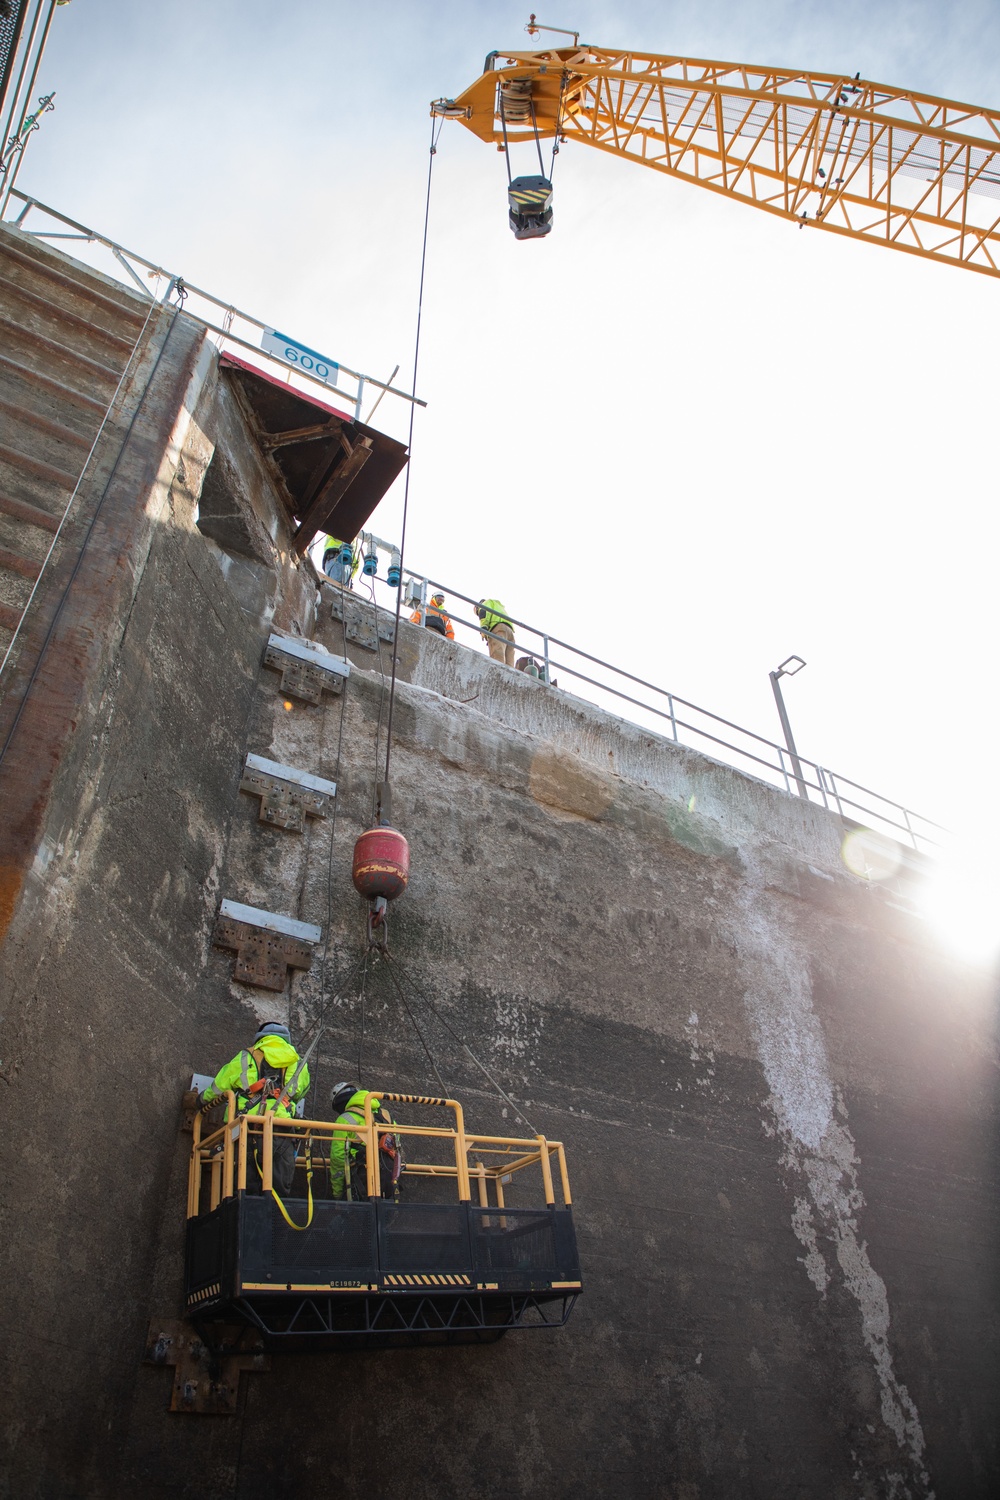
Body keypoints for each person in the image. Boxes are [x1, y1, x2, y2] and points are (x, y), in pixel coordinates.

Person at [200, 1022, 310, 1196]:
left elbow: (219, 1087)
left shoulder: (246, 1056)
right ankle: (275, 1219)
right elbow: (300, 1092)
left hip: (248, 1128)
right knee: (278, 1190)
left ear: (260, 1038)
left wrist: (200, 1101)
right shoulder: (297, 1061)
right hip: (283, 1130)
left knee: (245, 1187)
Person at [328, 1082, 402, 1201]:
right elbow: (397, 1150)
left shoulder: (344, 1119)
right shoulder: (387, 1117)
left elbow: (338, 1158)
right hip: (389, 1180)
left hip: (360, 1183)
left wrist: (337, 1193)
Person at [476, 598, 515, 666]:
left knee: (497, 658)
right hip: (510, 632)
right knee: (509, 663)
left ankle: (498, 675)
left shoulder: (486, 603)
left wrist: (483, 628)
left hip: (498, 629)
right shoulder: (498, 606)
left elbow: (483, 612)